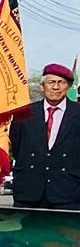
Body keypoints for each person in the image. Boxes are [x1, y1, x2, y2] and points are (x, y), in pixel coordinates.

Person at [8, 62, 80, 209]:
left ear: (68, 87)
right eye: (51, 82)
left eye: (61, 82)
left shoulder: (77, 113)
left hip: (68, 193)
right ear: (42, 86)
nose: (56, 87)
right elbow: (17, 147)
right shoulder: (23, 113)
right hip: (28, 193)